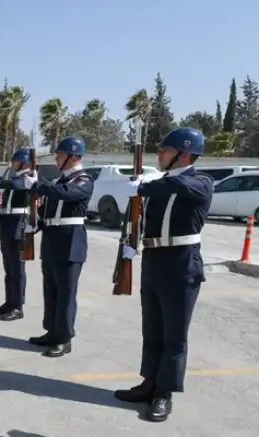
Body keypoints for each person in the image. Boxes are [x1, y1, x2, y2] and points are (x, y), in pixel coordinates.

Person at [113, 127, 213, 422]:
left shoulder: (200, 181)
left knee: (174, 334)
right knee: (153, 328)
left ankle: (164, 393)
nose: (161, 155)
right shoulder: (162, 182)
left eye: (167, 151)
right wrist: (132, 245)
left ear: (185, 154)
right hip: (154, 259)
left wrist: (146, 185)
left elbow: (182, 189)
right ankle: (149, 383)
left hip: (182, 262)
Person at [21, 136, 93, 358]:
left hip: (71, 243)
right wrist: (37, 225)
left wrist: (37, 185)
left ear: (73, 157)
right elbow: (51, 211)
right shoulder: (59, 182)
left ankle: (64, 338)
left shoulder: (83, 180)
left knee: (66, 293)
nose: (56, 158)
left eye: (60, 155)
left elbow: (68, 196)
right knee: (51, 290)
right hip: (52, 241)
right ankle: (52, 331)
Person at [0, 148, 31, 321]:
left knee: (17, 267)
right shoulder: (14, 177)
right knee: (9, 266)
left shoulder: (28, 178)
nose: (12, 164)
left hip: (19, 223)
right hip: (8, 222)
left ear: (24, 162)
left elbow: (16, 186)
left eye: (15, 160)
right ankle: (9, 302)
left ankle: (17, 306)